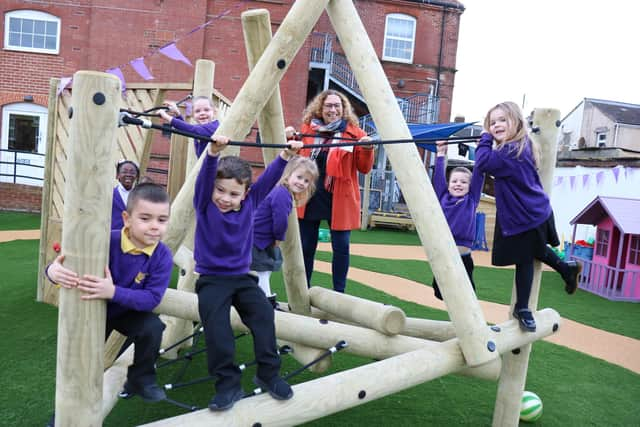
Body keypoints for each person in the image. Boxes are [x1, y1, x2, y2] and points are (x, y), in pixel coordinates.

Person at [44, 182, 172, 426]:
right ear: (126, 218)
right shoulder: (106, 240)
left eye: (162, 220)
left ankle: (140, 378)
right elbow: (64, 263)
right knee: (80, 367)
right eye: (145, 218)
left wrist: (113, 291)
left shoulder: (162, 255)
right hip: (92, 311)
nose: (155, 226)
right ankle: (62, 418)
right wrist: (52, 271)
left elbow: (152, 299)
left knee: (153, 328)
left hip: (126, 311)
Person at [194, 134, 302, 411]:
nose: (225, 198)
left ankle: (268, 374)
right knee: (218, 332)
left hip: (242, 279)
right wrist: (213, 154)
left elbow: (267, 180)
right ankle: (227, 385)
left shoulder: (252, 204)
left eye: (233, 193)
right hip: (212, 281)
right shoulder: (205, 204)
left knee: (264, 316)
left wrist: (286, 156)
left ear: (245, 194)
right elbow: (205, 178)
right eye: (220, 190)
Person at [474, 101, 581, 332]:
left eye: (503, 120)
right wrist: (488, 142)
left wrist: (484, 139)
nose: (496, 125)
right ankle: (566, 268)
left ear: (517, 122)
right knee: (536, 251)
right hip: (529, 212)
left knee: (525, 259)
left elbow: (483, 163)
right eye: (492, 123)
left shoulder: (512, 150)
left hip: (527, 214)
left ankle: (523, 308)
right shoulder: (516, 146)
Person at [285, 89, 374, 293]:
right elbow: (294, 156)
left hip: (340, 197)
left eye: (337, 106)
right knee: (306, 246)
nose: (332, 109)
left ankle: (339, 292)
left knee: (341, 248)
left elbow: (364, 167)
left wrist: (368, 149)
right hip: (310, 195)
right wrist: (287, 136)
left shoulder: (356, 134)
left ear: (343, 109)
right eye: (328, 105)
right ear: (320, 108)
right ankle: (302, 291)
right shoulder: (307, 130)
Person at [251, 156, 319, 308]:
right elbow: (281, 221)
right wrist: (278, 238)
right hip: (257, 239)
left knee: (262, 270)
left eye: (306, 181)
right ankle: (266, 302)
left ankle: (262, 299)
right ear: (288, 175)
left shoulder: (282, 192)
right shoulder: (282, 194)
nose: (301, 183)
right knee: (262, 269)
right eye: (299, 177)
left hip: (257, 238)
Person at [431, 140, 484, 300]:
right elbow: (438, 177)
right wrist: (441, 153)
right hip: (444, 254)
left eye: (463, 182)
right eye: (454, 181)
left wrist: (481, 149)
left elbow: (479, 175)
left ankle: (470, 319)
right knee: (439, 291)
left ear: (470, 186)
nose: (458, 184)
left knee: (468, 292)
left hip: (463, 257)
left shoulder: (471, 199)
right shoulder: (443, 197)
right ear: (448, 185)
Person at [111, 159, 140, 230]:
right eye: (124, 172)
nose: (128, 174)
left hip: (132, 237)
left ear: (136, 176)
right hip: (112, 236)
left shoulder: (140, 196)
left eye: (132, 172)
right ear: (117, 175)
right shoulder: (110, 194)